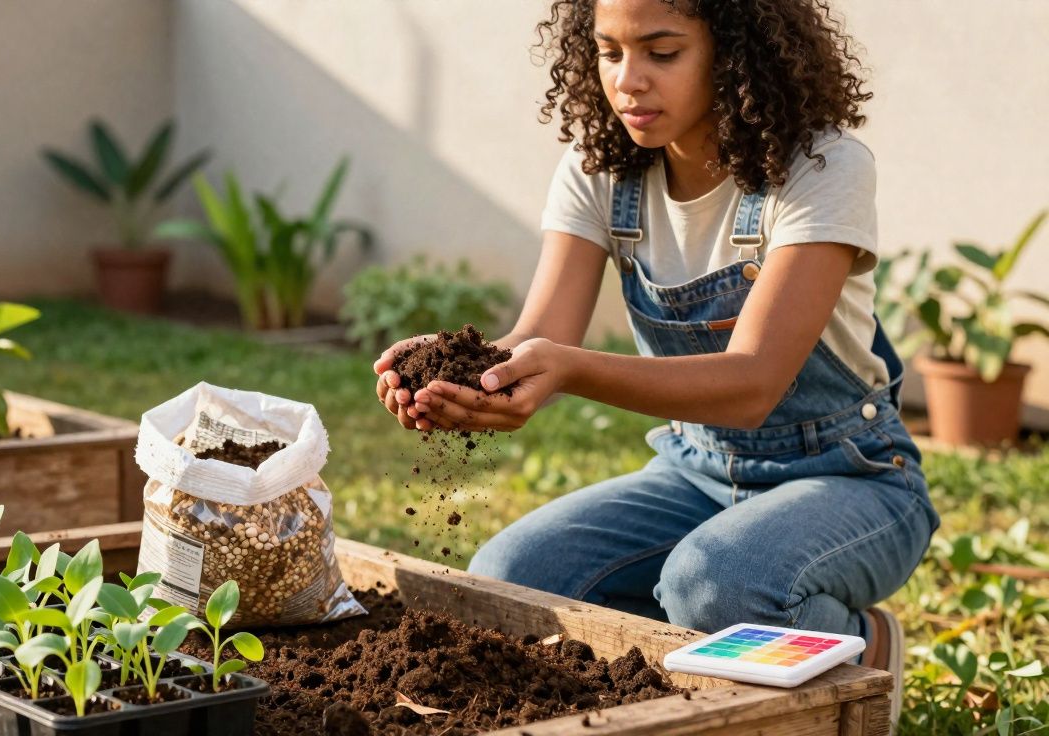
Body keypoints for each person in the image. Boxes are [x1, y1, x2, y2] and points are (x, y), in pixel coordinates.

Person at [372, 0, 939, 723]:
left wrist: (570, 369)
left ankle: (860, 648)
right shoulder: (601, 169)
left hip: (849, 477)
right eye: (609, 52)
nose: (628, 81)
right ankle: (708, 633)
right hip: (695, 471)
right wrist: (460, 375)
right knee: (513, 578)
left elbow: (752, 384)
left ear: (734, 50)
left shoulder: (819, 168)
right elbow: (539, 334)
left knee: (714, 583)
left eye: (661, 52)